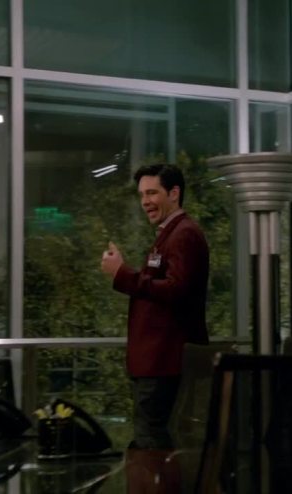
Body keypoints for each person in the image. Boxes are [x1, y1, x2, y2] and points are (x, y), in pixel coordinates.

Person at [100, 163, 209, 450]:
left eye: (152, 193)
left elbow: (175, 289)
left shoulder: (184, 234)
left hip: (164, 361)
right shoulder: (170, 233)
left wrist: (122, 273)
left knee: (153, 443)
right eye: (142, 195)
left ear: (174, 193)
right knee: (152, 438)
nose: (145, 201)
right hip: (157, 361)